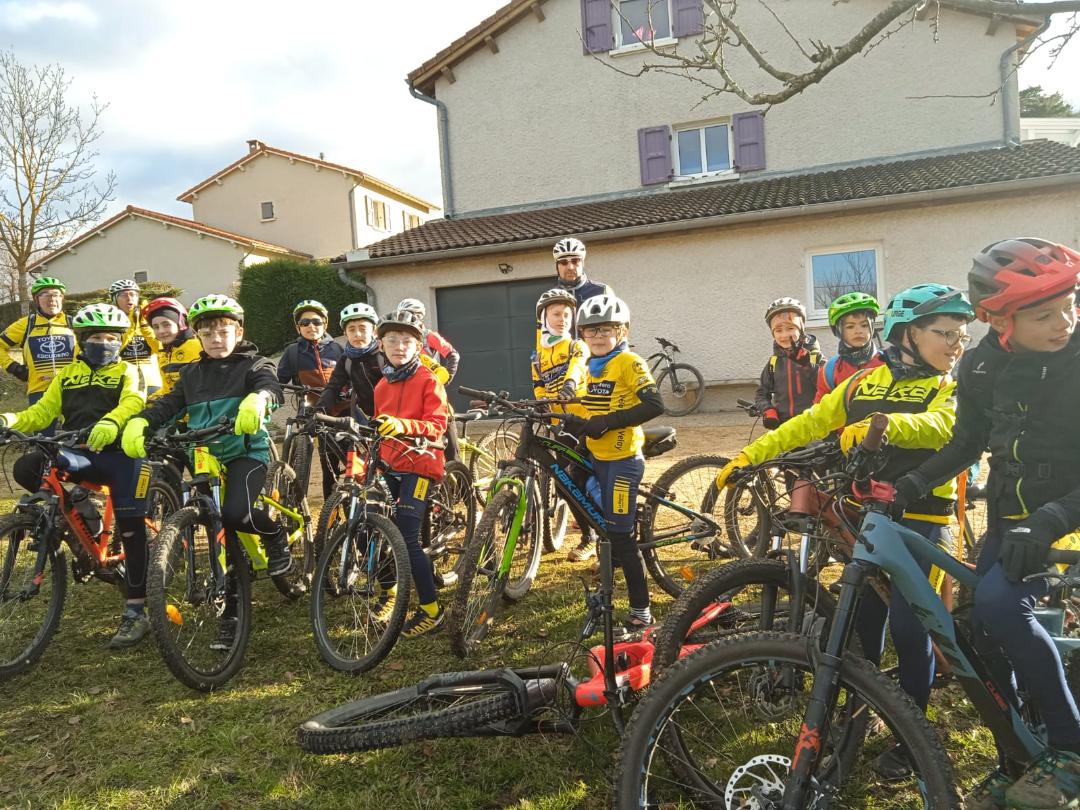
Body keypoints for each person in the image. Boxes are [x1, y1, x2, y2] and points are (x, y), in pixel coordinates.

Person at [717, 283, 976, 779]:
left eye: (961, 335)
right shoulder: (864, 381)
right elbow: (814, 420)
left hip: (921, 518)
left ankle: (910, 732)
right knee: (864, 621)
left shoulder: (947, 386)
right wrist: (753, 454)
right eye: (946, 333)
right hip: (867, 519)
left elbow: (944, 426)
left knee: (909, 625)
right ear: (909, 334)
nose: (956, 343)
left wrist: (885, 426)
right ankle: (864, 712)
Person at [893, 238, 1080, 809]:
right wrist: (913, 483)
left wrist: (1050, 520)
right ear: (998, 319)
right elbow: (967, 441)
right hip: (1009, 519)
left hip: (1064, 518)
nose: (1064, 322)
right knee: (974, 624)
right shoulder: (980, 362)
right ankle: (1022, 754)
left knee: (1002, 606)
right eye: (1044, 314)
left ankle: (1070, 751)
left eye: (1070, 305)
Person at [121, 294, 287, 650]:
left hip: (246, 453)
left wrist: (259, 400)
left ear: (238, 331)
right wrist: (140, 422)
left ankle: (274, 534)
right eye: (207, 332)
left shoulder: (255, 364)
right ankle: (232, 614)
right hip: (202, 455)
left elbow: (271, 388)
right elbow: (168, 404)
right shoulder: (192, 372)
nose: (216, 338)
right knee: (218, 530)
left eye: (224, 331)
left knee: (235, 513)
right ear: (197, 335)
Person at [0, 304, 151, 648]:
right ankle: (78, 517)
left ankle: (136, 611)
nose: (103, 343)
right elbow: (40, 413)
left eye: (110, 337)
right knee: (30, 465)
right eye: (96, 337)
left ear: (120, 340)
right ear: (83, 340)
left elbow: (133, 402)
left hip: (121, 453)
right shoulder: (66, 374)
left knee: (131, 527)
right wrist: (9, 421)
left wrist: (112, 422)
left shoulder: (129, 370)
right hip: (79, 451)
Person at [563, 294, 664, 636]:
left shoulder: (629, 362)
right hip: (596, 455)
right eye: (590, 331)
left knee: (621, 538)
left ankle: (642, 612)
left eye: (605, 330)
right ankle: (611, 526)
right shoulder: (590, 364)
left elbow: (654, 404)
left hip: (622, 459)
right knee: (573, 481)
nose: (597, 337)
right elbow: (582, 397)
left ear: (622, 331)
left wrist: (609, 422)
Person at [371, 308, 449, 638]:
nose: (399, 346)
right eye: (392, 340)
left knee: (405, 533)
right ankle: (389, 591)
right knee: (370, 523)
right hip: (391, 463)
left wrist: (404, 425)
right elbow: (378, 428)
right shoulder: (381, 386)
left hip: (421, 463)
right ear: (382, 345)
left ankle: (432, 609)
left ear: (418, 347)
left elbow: (437, 425)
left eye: (406, 341)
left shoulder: (428, 380)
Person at [530, 288, 595, 562]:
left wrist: (569, 386)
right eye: (556, 314)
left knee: (583, 479)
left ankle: (593, 538)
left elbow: (577, 368)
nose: (562, 319)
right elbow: (539, 386)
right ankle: (590, 534)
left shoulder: (575, 346)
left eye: (567, 314)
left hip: (583, 422)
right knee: (564, 485)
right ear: (544, 317)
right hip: (559, 427)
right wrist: (541, 403)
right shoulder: (537, 356)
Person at [276, 300, 346, 499]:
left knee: (355, 457)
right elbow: (279, 382)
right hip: (315, 413)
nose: (311, 327)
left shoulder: (338, 349)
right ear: (298, 327)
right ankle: (329, 514)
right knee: (328, 466)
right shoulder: (292, 352)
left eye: (316, 321)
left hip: (341, 409)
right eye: (305, 323)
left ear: (325, 324)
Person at [396, 298, 460, 461]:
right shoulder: (398, 337)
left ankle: (458, 471)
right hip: (410, 386)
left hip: (431, 383)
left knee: (445, 426)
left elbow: (452, 354)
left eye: (410, 315)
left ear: (419, 316)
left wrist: (447, 376)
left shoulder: (429, 335)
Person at [1, 276, 75, 407]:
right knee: (43, 428)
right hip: (39, 390)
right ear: (36, 299)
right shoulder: (26, 324)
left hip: (73, 389)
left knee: (75, 428)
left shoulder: (74, 323)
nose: (52, 299)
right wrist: (14, 368)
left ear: (62, 299)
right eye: (45, 294)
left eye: (56, 295)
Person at [754, 297, 824, 428]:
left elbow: (828, 387)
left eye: (791, 328)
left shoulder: (815, 357)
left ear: (801, 329)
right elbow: (762, 393)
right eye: (778, 330)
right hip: (784, 427)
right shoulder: (773, 362)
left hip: (814, 427)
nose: (785, 335)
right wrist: (768, 410)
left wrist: (808, 366)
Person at [316, 303, 383, 421]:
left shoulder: (385, 354)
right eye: (351, 330)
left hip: (395, 416)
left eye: (363, 328)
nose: (357, 334)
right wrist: (319, 411)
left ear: (374, 331)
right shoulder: (346, 360)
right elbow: (332, 388)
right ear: (345, 333)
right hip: (370, 416)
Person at [815, 291, 885, 402]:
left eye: (864, 325)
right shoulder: (829, 370)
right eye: (850, 327)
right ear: (838, 330)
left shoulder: (887, 362)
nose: (858, 331)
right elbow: (819, 409)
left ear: (872, 327)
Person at [110, 279, 162, 395]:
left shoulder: (149, 321)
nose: (129, 298)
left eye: (133, 294)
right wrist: (131, 325)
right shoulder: (111, 325)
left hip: (152, 381)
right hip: (125, 382)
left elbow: (160, 349)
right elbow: (113, 351)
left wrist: (144, 325)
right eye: (123, 295)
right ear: (114, 300)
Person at [143, 297, 201, 399]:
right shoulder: (164, 354)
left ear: (181, 324)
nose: (161, 331)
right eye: (156, 327)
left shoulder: (199, 347)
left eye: (167, 325)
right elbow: (167, 389)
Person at [552, 238, 612, 311]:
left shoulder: (602, 291)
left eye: (575, 261)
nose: (570, 267)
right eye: (563, 262)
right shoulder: (550, 298)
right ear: (557, 267)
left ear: (582, 264)